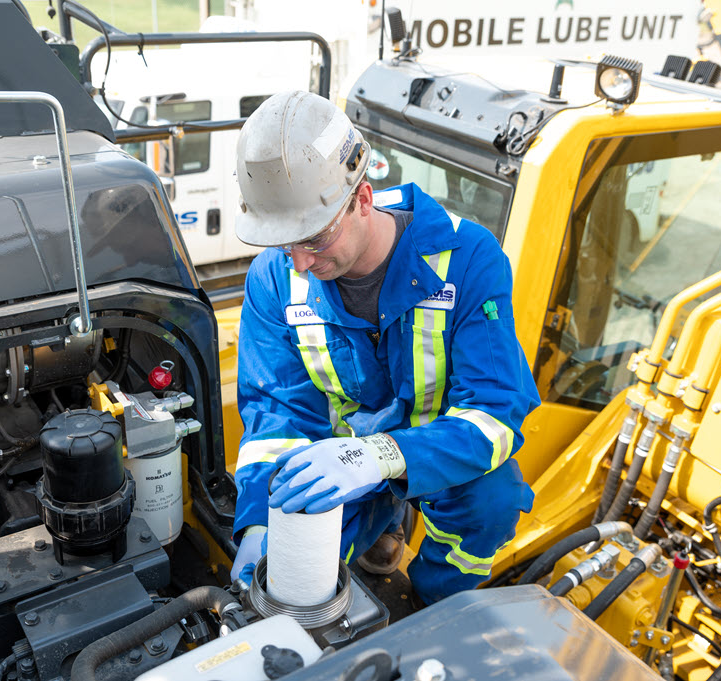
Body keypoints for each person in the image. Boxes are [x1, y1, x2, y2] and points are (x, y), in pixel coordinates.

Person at [229, 90, 540, 605]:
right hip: (337, 455)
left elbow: (495, 414)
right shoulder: (274, 278)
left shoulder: (467, 261)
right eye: (285, 243)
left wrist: (381, 456)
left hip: (438, 452)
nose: (300, 263)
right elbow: (276, 416)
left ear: (364, 199)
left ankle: (433, 599)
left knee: (494, 499)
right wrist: (261, 524)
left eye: (314, 239)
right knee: (301, 572)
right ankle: (377, 527)